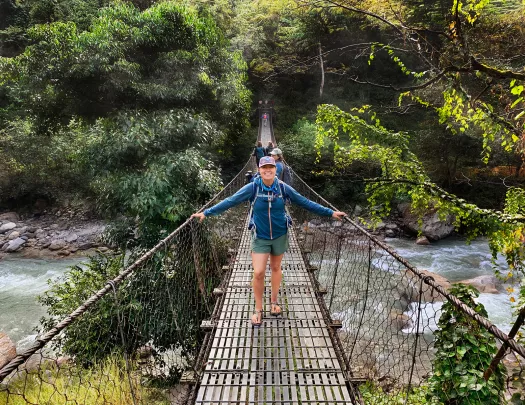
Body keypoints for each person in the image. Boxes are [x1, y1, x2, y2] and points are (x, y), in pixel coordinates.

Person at [191, 156, 346, 327]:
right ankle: (258, 308)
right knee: (258, 272)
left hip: (280, 234)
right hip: (260, 236)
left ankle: (273, 302)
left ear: (275, 169)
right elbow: (230, 201)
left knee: (275, 268)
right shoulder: (252, 188)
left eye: (271, 167)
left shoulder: (282, 188)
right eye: (264, 167)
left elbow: (304, 202)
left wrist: (330, 213)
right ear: (259, 169)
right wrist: (207, 212)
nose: (268, 170)